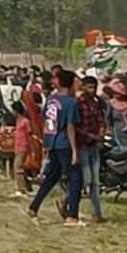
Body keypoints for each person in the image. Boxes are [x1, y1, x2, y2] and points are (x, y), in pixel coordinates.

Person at [27, 70, 84, 227]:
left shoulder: (52, 99)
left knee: (52, 177)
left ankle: (34, 207)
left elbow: (47, 122)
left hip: (52, 142)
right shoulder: (70, 102)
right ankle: (72, 215)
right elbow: (70, 127)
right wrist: (74, 151)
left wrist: (47, 143)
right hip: (64, 143)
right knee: (75, 179)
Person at [76, 74, 108, 224]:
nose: (92, 90)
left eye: (94, 87)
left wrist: (101, 132)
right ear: (83, 87)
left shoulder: (96, 103)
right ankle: (66, 200)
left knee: (95, 181)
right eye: (89, 87)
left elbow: (101, 120)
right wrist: (93, 136)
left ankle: (97, 213)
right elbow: (76, 127)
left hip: (94, 146)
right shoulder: (78, 103)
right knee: (85, 179)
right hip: (83, 145)